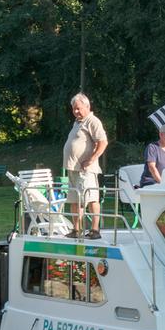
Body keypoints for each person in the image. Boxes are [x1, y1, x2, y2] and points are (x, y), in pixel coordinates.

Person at [61, 92, 108, 237]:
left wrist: (92, 159)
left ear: (87, 106)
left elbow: (103, 142)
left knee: (91, 198)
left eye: (78, 108)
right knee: (75, 199)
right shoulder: (77, 122)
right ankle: (77, 229)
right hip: (73, 168)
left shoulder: (92, 121)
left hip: (86, 169)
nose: (75, 111)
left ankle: (95, 230)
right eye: (74, 109)